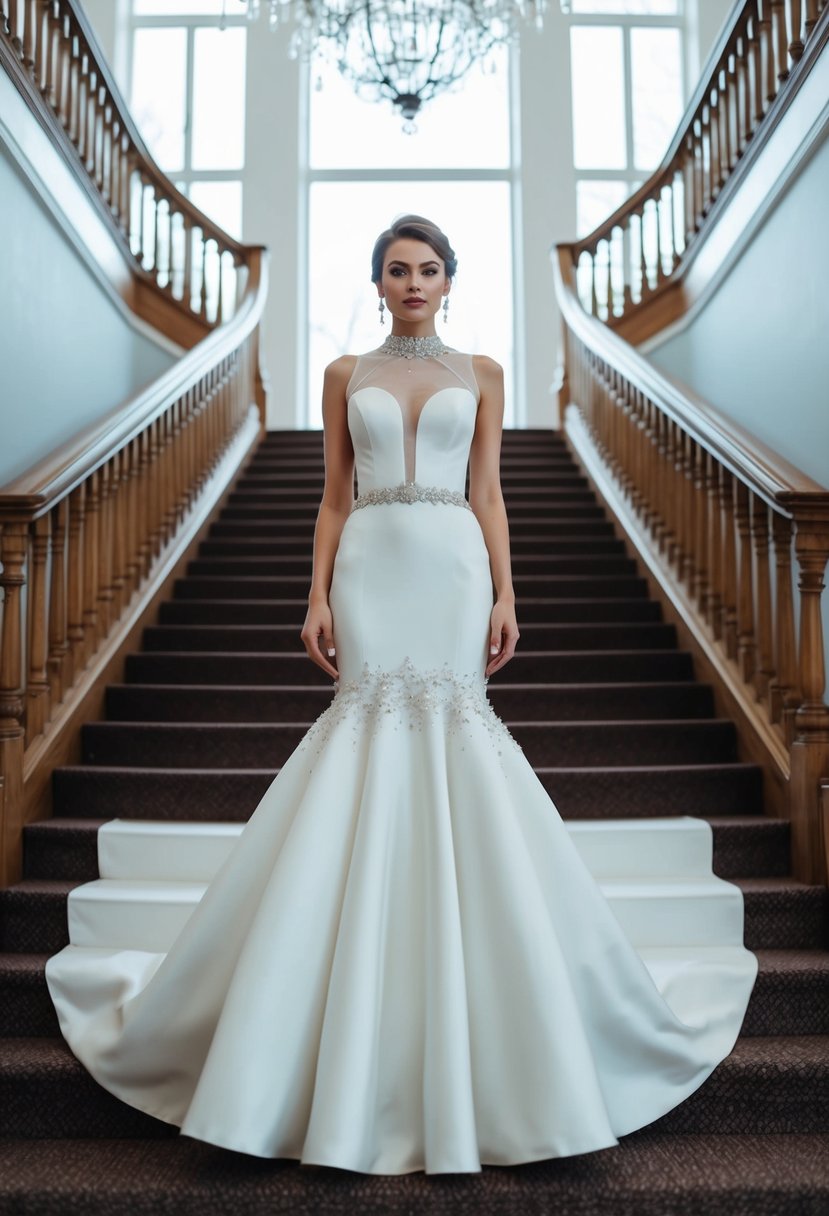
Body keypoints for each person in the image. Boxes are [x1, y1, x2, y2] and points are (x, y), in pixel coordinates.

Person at [46, 214, 757, 1176]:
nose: (412, 281)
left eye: (427, 269)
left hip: (454, 568)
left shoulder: (484, 373)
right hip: (373, 563)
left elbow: (491, 492)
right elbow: (333, 496)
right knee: (364, 731)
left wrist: (506, 591)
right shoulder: (345, 376)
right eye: (396, 269)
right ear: (377, 282)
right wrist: (314, 593)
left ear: (448, 281)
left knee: (457, 732)